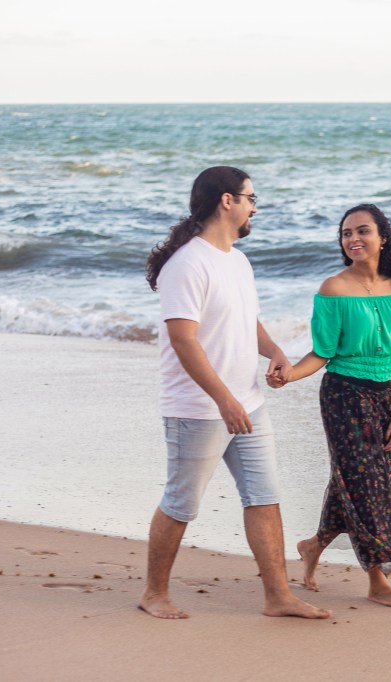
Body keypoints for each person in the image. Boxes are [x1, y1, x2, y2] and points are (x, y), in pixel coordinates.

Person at [139, 166, 331, 620]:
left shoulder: (238, 261)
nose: (254, 208)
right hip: (198, 409)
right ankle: (154, 593)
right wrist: (224, 400)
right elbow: (183, 339)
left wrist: (275, 351)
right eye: (250, 198)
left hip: (249, 404)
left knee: (264, 496)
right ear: (227, 200)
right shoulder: (187, 264)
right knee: (181, 503)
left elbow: (246, 321)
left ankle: (278, 597)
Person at [267, 203, 391, 609]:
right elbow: (322, 352)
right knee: (367, 485)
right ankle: (377, 581)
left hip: (384, 396)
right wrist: (289, 375)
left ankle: (314, 545)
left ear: (382, 238)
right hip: (344, 396)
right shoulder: (333, 288)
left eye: (362, 230)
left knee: (363, 480)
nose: (353, 238)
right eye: (346, 233)